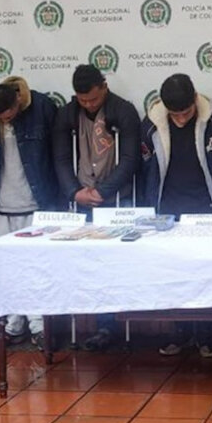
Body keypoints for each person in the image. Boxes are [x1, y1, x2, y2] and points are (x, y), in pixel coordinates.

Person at [139, 73, 212, 357]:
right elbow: (146, 166)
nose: (181, 119)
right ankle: (180, 333)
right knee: (174, 276)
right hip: (168, 210)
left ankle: (208, 336)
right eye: (175, 114)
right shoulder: (151, 125)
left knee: (207, 276)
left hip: (207, 210)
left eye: (186, 112)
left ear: (195, 99)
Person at [53, 64, 140, 351]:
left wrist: (103, 192)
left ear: (104, 86)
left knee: (118, 264)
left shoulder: (123, 110)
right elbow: (61, 158)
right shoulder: (67, 113)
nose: (88, 104)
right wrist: (74, 191)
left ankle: (118, 322)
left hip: (116, 198)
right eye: (82, 100)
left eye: (92, 98)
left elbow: (129, 158)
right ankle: (100, 325)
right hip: (81, 195)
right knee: (90, 265)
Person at [0, 75, 59, 348]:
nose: (4, 119)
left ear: (18, 101)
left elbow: (56, 154)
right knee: (5, 269)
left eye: (8, 114)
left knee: (37, 267)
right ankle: (12, 323)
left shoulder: (43, 107)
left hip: (36, 203)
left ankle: (39, 325)